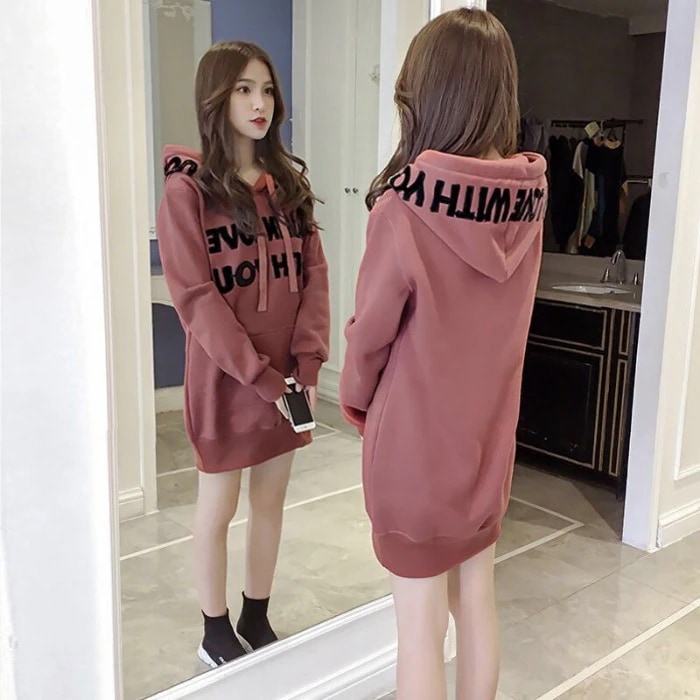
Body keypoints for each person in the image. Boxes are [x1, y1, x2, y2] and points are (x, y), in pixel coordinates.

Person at [339, 10, 547, 700]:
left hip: (415, 452)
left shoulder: (403, 207)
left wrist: (356, 401)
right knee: (476, 603)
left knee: (420, 631)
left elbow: (370, 335)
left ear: (426, 94)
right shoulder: (529, 201)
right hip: (488, 446)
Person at [156, 41, 330, 668]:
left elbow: (314, 277)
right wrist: (262, 378)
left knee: (270, 502)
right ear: (216, 97)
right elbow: (195, 298)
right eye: (244, 90)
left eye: (267, 90)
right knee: (218, 507)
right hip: (228, 380)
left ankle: (257, 615)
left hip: (288, 379)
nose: (261, 104)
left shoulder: (289, 188)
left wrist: (306, 366)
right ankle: (214, 629)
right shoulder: (188, 194)